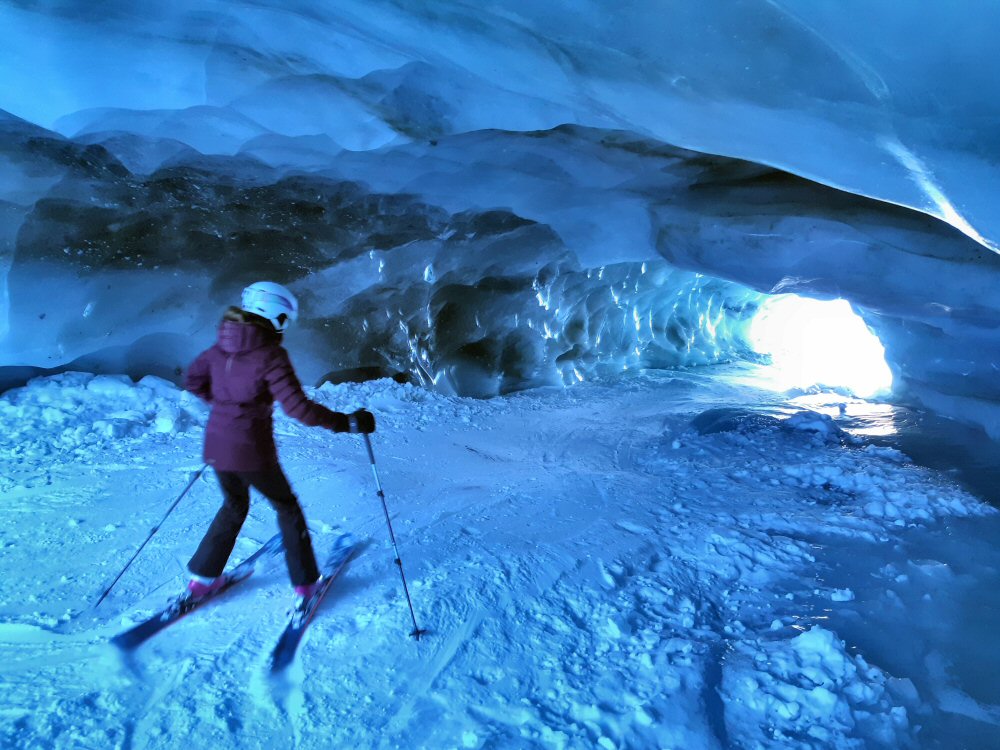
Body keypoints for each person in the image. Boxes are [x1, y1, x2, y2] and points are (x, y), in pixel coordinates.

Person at [183, 280, 375, 607]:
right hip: (250, 451)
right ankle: (306, 585)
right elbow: (298, 408)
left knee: (233, 506)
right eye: (284, 318)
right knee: (287, 509)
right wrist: (347, 423)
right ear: (271, 313)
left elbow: (192, 382)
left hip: (216, 445)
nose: (284, 326)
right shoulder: (270, 354)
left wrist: (227, 407)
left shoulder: (220, 346)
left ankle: (202, 580)